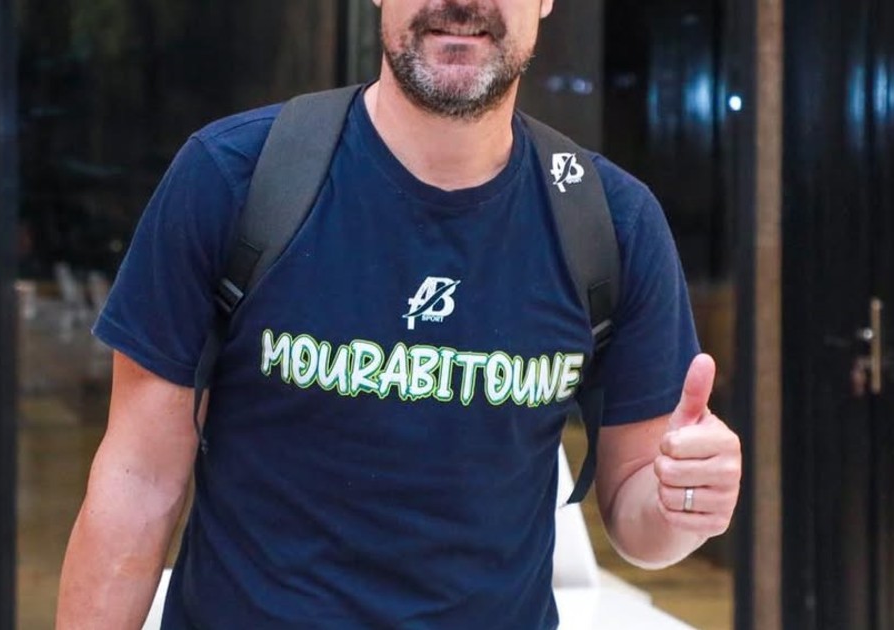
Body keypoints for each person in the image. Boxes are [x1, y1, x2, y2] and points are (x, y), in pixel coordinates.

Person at [56, 0, 743, 627]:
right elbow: (139, 484)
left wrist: (686, 500)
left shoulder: (612, 223)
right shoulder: (233, 176)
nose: (463, 5)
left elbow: (640, 522)